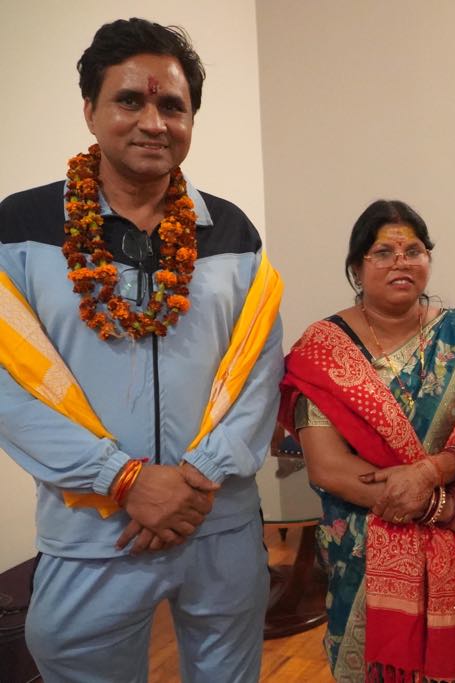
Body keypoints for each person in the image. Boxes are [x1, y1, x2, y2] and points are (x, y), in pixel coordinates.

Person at [0, 18, 283, 682]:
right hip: (93, 528)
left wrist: (194, 480)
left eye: (173, 106)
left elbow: (258, 374)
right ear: (90, 110)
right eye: (130, 100)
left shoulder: (233, 232)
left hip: (217, 519)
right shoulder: (21, 228)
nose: (154, 123)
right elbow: (9, 388)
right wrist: (123, 479)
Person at [278, 199, 455, 682]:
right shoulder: (322, 350)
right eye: (383, 252)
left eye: (413, 250)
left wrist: (431, 471)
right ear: (356, 268)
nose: (401, 261)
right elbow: (328, 467)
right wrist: (445, 508)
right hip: (368, 542)